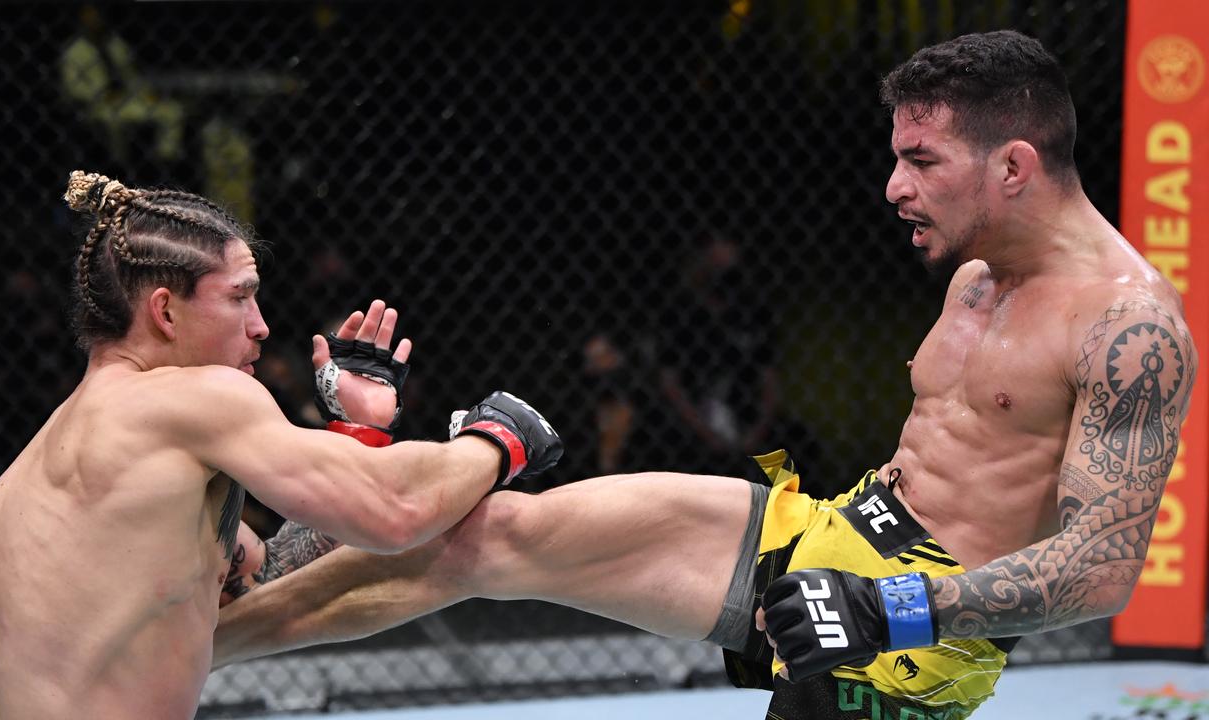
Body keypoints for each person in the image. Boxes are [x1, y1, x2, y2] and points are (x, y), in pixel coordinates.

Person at [212, 31, 1197, 720]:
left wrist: (882, 608)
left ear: (1013, 166)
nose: (892, 185)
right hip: (833, 529)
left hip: (914, 645)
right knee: (489, 530)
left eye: (920, 159)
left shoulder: (1129, 329)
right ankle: (197, 644)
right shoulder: (976, 276)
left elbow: (1099, 572)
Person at [0, 171, 563, 720]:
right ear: (165, 313)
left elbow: (266, 577)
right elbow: (395, 513)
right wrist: (497, 439)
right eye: (239, 296)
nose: (261, 325)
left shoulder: (47, 462)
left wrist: (360, 434)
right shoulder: (189, 400)